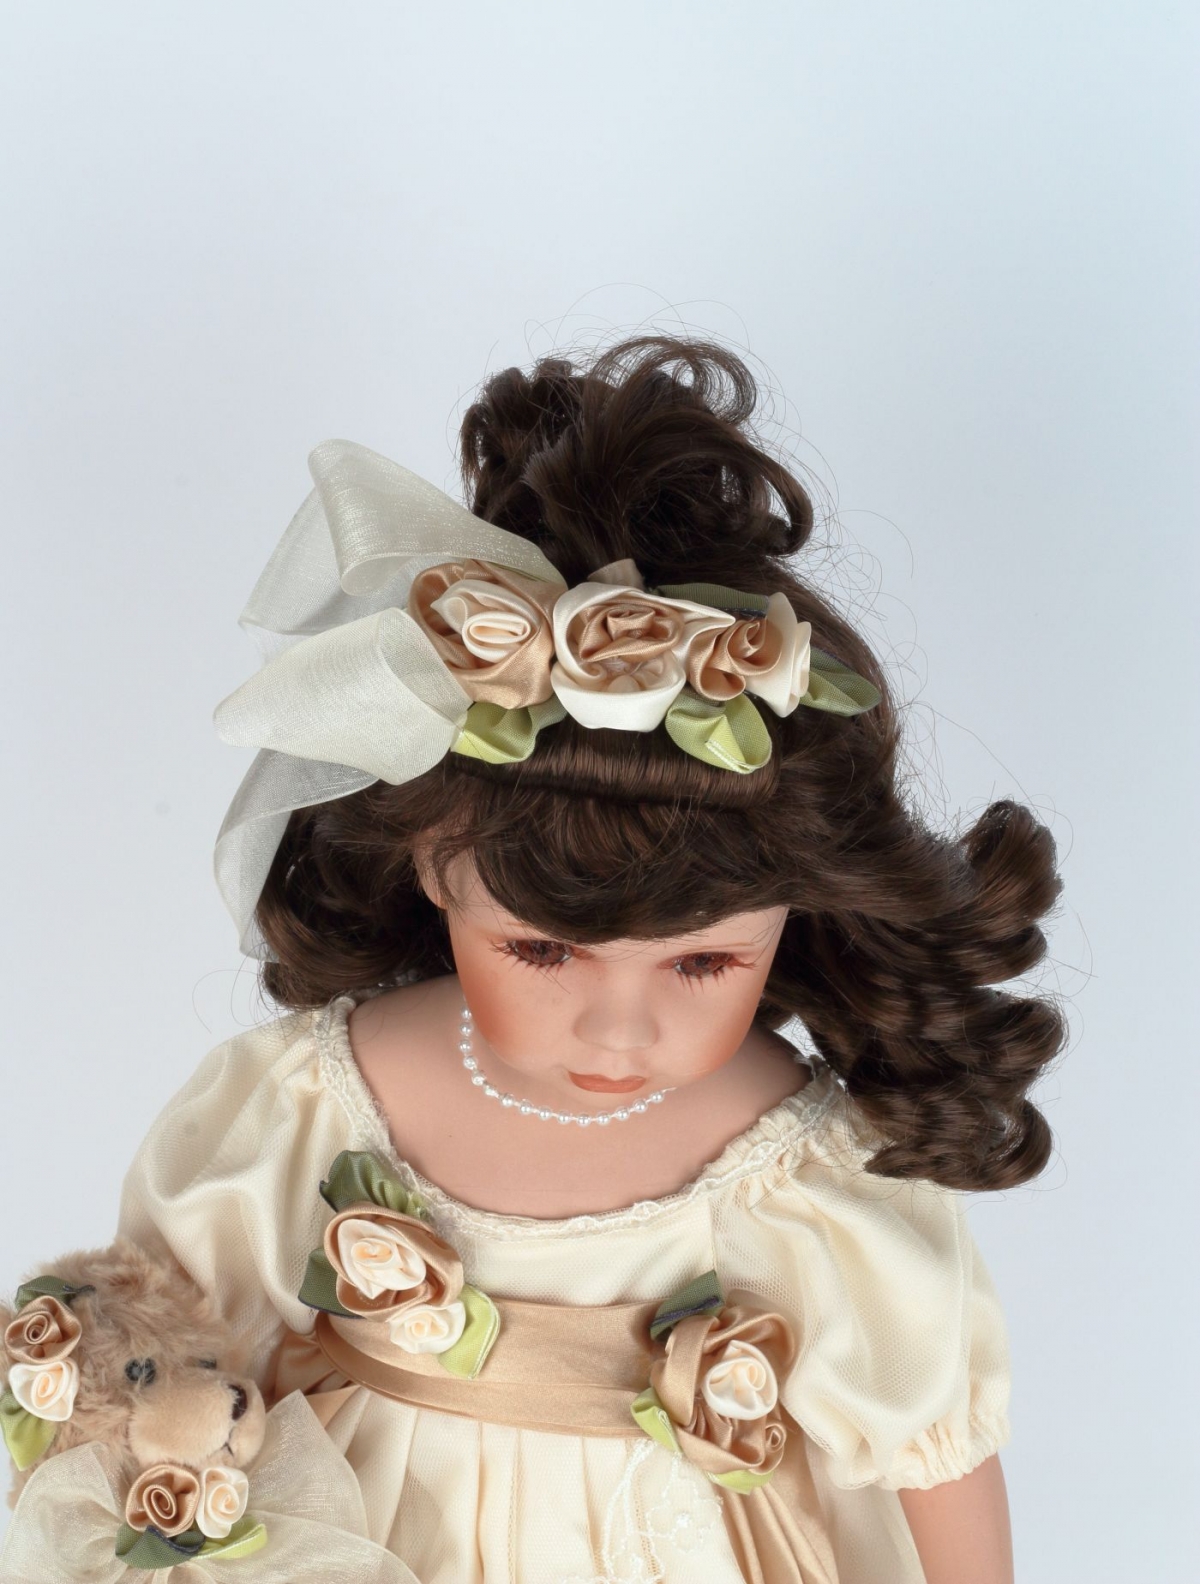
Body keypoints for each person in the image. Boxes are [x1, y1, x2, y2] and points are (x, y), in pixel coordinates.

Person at [112, 337, 1062, 1580]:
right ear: (432, 863)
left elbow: (927, 1441)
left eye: (703, 966)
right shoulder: (304, 1106)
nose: (621, 1029)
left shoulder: (796, 1170)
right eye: (542, 951)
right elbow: (173, 1355)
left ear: (798, 914)